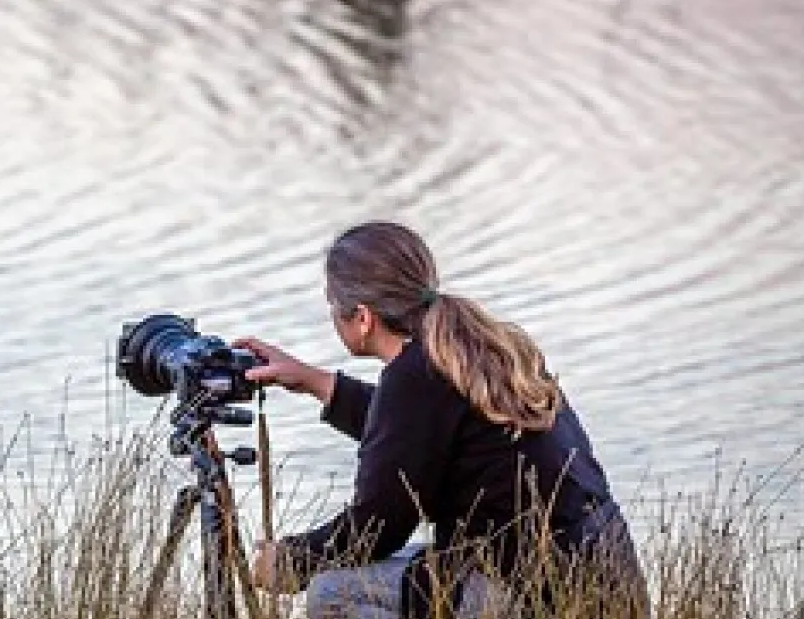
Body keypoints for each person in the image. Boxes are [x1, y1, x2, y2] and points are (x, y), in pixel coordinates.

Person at [233, 221, 649, 619]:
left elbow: (378, 525)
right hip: (604, 580)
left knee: (333, 593)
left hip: (540, 596)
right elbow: (417, 434)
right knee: (397, 564)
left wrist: (291, 560)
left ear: (363, 318)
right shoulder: (483, 347)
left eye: (331, 305)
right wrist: (316, 382)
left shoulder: (416, 376)